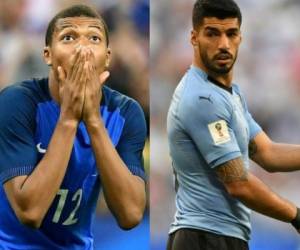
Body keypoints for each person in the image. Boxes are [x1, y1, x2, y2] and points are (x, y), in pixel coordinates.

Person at [0, 4, 147, 249]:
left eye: (94, 38)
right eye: (68, 37)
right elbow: (30, 212)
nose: (82, 49)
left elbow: (130, 214)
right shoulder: (16, 103)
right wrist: (69, 117)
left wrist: (93, 121)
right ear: (47, 54)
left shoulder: (125, 113)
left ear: (108, 57)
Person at [166, 0, 300, 249]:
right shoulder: (201, 99)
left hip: (221, 237)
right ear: (194, 38)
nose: (223, 44)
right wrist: (296, 215)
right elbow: (238, 183)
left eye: (231, 33)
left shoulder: (227, 94)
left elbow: (267, 153)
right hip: (203, 237)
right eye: (212, 34)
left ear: (240, 37)